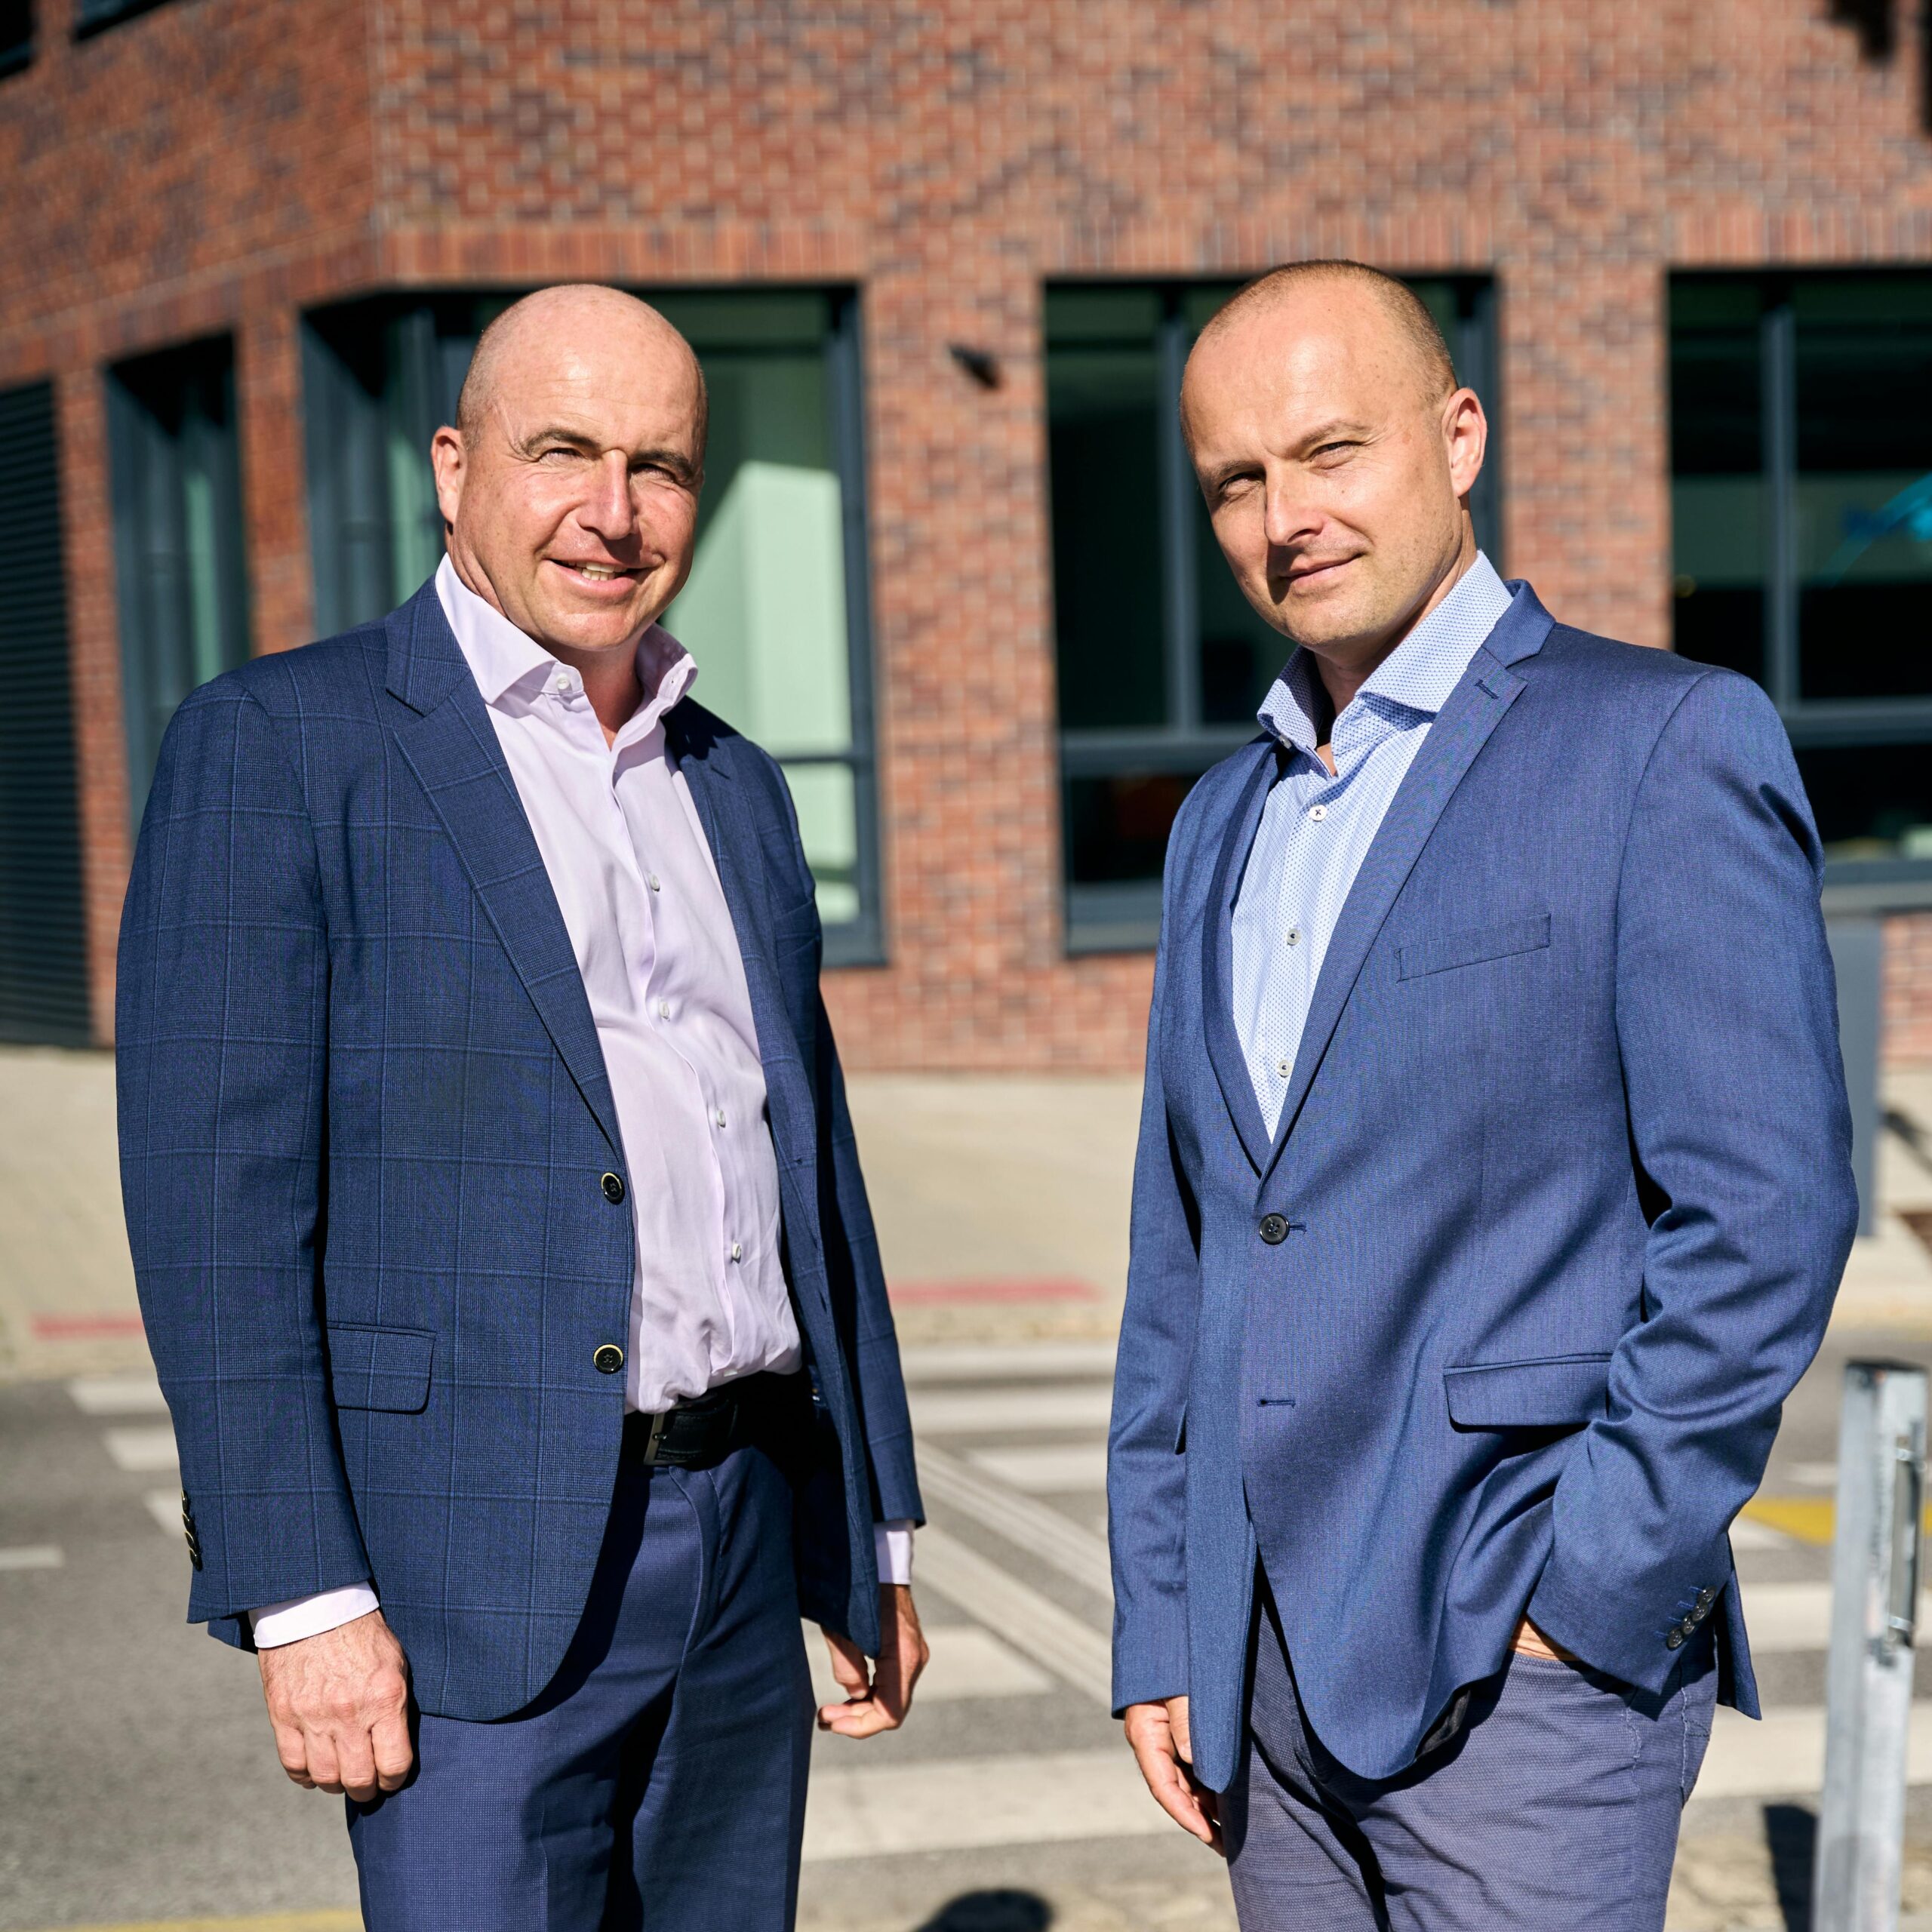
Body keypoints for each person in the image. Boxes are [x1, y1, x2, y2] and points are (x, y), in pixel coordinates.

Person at [116, 284, 927, 1931]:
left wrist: (872, 1528)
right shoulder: (281, 746)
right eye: (563, 451)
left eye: (661, 466)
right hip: (458, 1573)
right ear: (451, 464)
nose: (611, 513)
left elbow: (811, 1171)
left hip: (740, 1533)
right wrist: (302, 1594)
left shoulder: (737, 782)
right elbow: (218, 1218)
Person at [1106, 260, 1857, 1930]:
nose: (1283, 514)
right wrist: (1160, 1615)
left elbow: (1764, 1214)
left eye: (1329, 451)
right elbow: (1189, 1249)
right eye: (1236, 479)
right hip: (1257, 1679)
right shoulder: (1215, 821)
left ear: (1457, 436)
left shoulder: (1659, 742)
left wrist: (1588, 1596)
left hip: (1516, 1671)